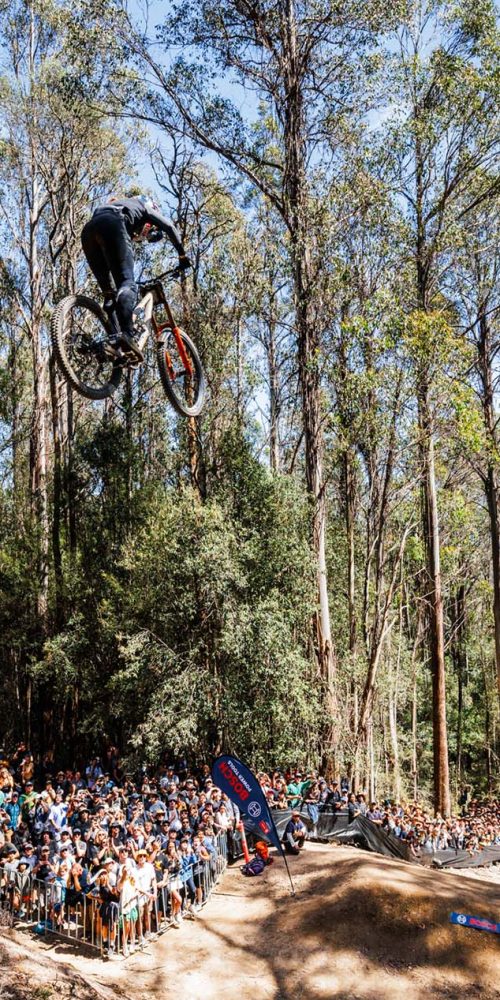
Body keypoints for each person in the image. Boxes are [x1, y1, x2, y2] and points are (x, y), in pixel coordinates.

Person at [81, 193, 191, 361]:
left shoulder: (121, 206)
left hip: (88, 232)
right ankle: (127, 335)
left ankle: (115, 344)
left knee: (109, 296)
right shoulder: (143, 206)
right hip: (112, 223)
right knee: (128, 284)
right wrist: (182, 256)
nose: (143, 236)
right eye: (149, 232)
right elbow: (169, 226)